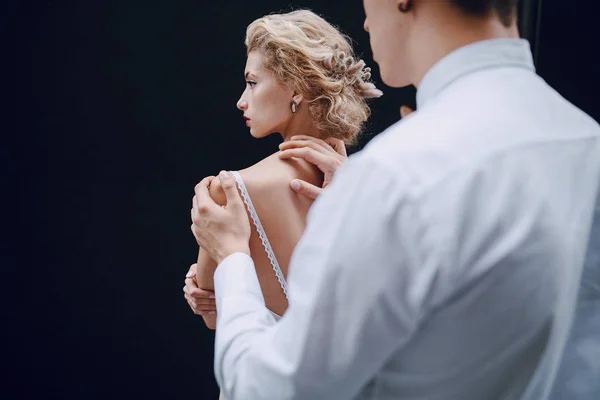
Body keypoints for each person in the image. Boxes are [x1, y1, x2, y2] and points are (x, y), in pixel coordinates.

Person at [190, 1, 600, 399]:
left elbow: (266, 389)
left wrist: (233, 261)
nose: (365, 20)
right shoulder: (586, 143)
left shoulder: (395, 175)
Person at [183, 10, 381, 330]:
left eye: (252, 83)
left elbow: (214, 316)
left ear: (296, 89)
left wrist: (205, 277)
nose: (241, 101)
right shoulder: (367, 183)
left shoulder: (229, 192)